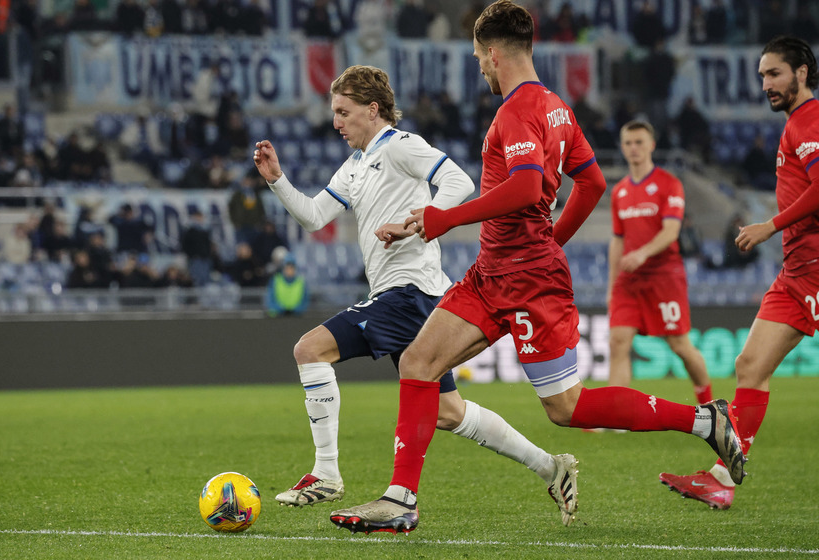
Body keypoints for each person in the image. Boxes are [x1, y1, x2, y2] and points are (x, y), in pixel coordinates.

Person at [329, 1, 746, 535]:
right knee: (418, 362)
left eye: (480, 55)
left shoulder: (518, 111)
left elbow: (527, 186)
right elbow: (591, 183)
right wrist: (552, 239)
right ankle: (401, 498)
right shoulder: (557, 107)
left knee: (566, 407)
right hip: (492, 273)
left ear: (495, 53)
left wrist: (444, 218)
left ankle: (703, 420)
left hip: (528, 281)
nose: (479, 66)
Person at [253, 64, 578, 519]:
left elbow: (459, 183)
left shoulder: (402, 145)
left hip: (410, 292)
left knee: (310, 350)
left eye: (344, 112)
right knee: (448, 412)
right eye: (334, 113)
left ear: (372, 109)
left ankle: (326, 473)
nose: (336, 123)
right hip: (410, 295)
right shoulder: (355, 166)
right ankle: (552, 468)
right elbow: (312, 216)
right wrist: (276, 180)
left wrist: (420, 221)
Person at [660, 35, 819, 510]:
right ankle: (721, 480)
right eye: (762, 76)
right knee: (750, 366)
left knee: (750, 366)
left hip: (813, 270)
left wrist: (771, 224)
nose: (766, 84)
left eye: (775, 74)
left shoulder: (809, 121)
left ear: (802, 73)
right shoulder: (797, 123)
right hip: (797, 271)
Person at [605, 121, 712, 417]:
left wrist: (642, 253)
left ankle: (709, 403)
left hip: (664, 277)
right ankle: (617, 415)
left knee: (680, 346)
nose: (633, 148)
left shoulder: (668, 184)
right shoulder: (620, 192)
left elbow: (671, 232)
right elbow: (617, 241)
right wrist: (611, 286)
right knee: (618, 342)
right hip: (628, 281)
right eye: (628, 143)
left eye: (639, 142)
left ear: (651, 145)